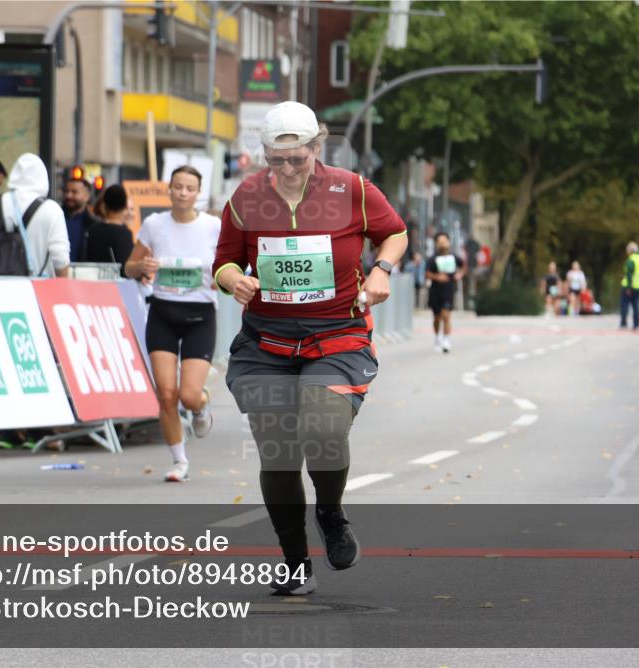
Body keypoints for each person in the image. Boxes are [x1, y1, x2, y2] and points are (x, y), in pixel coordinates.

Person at [214, 101, 407, 595]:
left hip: (335, 336)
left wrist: (382, 270)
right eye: (276, 161)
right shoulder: (247, 196)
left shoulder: (353, 189)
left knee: (323, 428)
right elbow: (225, 261)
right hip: (267, 342)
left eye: (297, 159)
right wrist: (234, 280)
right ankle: (296, 562)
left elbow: (395, 234)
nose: (286, 170)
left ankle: (331, 512)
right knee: (277, 454)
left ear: (317, 148)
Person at [124, 166, 220, 482]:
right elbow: (128, 267)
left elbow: (231, 266)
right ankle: (179, 461)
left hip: (200, 315)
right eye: (177, 186)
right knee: (166, 394)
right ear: (170, 189)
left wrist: (224, 279)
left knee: (188, 395)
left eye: (189, 188)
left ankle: (201, 405)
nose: (182, 193)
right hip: (163, 312)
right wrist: (142, 265)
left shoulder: (213, 227)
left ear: (197, 193)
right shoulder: (154, 225)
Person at [0, 153, 70, 278]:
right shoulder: (52, 210)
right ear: (43, 178)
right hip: (36, 290)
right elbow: (60, 256)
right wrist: (63, 290)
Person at [425, 232, 466, 353]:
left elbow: (463, 266)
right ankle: (437, 337)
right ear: (436, 244)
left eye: (444, 241)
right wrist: (437, 277)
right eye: (439, 241)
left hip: (449, 290)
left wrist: (460, 274)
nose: (442, 243)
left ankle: (446, 340)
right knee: (437, 317)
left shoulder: (454, 257)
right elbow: (427, 273)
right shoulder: (433, 258)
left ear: (448, 242)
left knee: (446, 315)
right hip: (435, 291)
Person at [79, 184, 134, 268]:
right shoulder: (124, 233)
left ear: (105, 205)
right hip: (115, 280)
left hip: (93, 278)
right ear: (124, 206)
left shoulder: (92, 230)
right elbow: (125, 267)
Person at [620, 241, 639, 331]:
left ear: (630, 250)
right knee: (636, 306)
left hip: (629, 287)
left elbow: (629, 274)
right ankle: (636, 325)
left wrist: (628, 287)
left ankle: (623, 323)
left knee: (624, 305)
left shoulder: (631, 260)